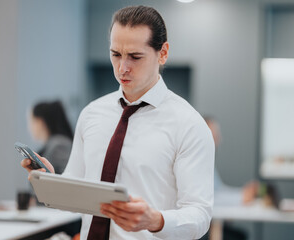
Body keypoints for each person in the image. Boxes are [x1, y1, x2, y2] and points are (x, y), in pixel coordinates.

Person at [22, 6, 214, 239]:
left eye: (135, 56)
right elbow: (75, 195)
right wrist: (50, 181)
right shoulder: (92, 113)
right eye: (116, 54)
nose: (123, 67)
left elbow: (200, 215)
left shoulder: (189, 125)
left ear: (162, 53)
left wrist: (156, 220)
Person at [204, 116, 258, 240]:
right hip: (200, 229)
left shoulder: (206, 161)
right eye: (215, 135)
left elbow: (218, 190)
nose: (219, 140)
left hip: (209, 225)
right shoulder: (197, 163)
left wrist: (243, 193)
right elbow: (211, 198)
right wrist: (241, 197)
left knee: (240, 235)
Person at [28, 100, 73, 174]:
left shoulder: (59, 145)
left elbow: (66, 179)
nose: (29, 127)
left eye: (32, 121)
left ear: (40, 122)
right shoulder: (53, 144)